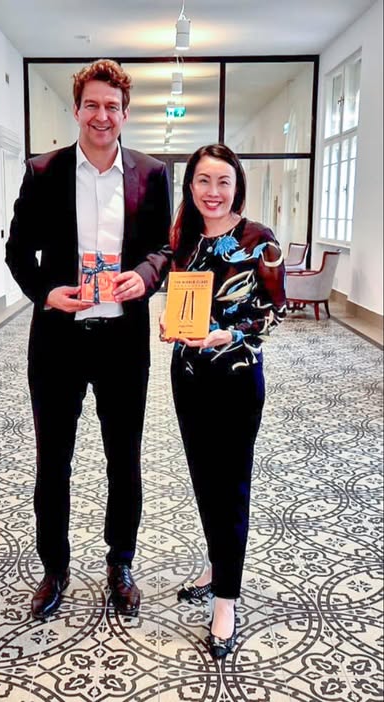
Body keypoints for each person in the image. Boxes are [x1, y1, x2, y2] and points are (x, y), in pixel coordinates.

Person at [6, 59, 171, 619]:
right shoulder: (44, 171)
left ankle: (120, 563)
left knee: (124, 460)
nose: (103, 116)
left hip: (123, 342)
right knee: (53, 461)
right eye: (93, 105)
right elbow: (17, 251)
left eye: (112, 107)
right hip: (58, 341)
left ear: (126, 113)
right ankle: (54, 569)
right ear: (76, 110)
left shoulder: (152, 173)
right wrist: (46, 293)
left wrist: (144, 275)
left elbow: (164, 249)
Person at [160, 144, 286, 658]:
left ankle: (226, 601)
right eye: (203, 181)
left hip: (235, 376)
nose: (213, 192)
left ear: (237, 187)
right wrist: (170, 323)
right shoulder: (183, 240)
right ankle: (217, 566)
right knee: (204, 480)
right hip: (188, 375)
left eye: (223, 182)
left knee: (231, 485)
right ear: (190, 186)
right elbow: (180, 300)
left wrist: (228, 334)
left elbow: (276, 310)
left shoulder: (259, 239)